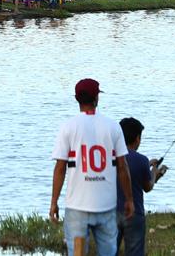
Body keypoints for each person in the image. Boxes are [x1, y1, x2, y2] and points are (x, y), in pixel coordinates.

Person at [50, 79, 134, 256]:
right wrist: (129, 199)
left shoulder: (67, 127)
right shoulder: (113, 126)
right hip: (106, 205)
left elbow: (60, 168)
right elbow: (122, 167)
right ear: (97, 98)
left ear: (76, 99)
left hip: (77, 206)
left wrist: (54, 202)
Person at [116, 117, 166, 256]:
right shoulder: (141, 160)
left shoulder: (110, 157)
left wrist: (148, 166)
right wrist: (154, 172)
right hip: (134, 214)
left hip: (111, 212)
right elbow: (148, 187)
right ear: (137, 138)